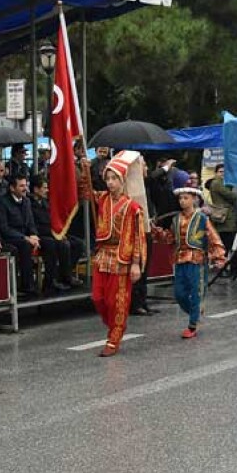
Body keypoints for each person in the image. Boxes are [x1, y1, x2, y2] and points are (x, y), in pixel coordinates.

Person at [87, 151, 148, 357]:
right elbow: (84, 190)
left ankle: (114, 337)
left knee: (117, 301)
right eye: (108, 178)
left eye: (115, 179)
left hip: (122, 257)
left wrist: (136, 263)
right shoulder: (102, 199)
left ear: (122, 181)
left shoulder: (133, 207)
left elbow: (138, 237)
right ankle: (114, 325)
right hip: (103, 255)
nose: (110, 183)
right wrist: (83, 168)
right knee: (98, 298)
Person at [168, 187, 226, 339]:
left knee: (196, 292)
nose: (182, 201)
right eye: (180, 198)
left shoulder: (202, 218)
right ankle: (196, 312)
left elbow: (213, 237)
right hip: (180, 259)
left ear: (194, 199)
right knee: (179, 293)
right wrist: (156, 232)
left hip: (197, 260)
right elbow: (170, 238)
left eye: (186, 198)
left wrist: (219, 256)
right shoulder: (175, 219)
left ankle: (193, 324)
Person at [29, 174, 83, 292]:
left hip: (53, 231)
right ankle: (51, 281)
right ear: (36, 189)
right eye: (44, 187)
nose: (47, 190)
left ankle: (64, 274)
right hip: (41, 235)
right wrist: (55, 233)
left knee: (78, 243)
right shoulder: (29, 204)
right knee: (59, 244)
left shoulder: (46, 202)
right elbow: (34, 225)